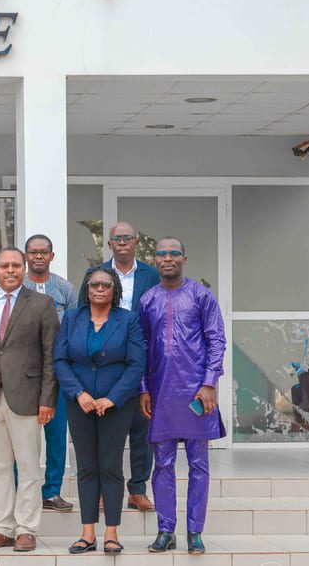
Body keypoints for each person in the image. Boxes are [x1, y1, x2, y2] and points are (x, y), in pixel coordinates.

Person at [138, 237, 226, 555]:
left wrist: (208, 383)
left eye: (174, 253)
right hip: (160, 393)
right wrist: (144, 389)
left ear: (184, 258)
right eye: (161, 254)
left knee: (198, 464)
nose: (168, 258)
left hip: (197, 393)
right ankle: (165, 530)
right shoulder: (148, 299)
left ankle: (194, 531)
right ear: (155, 260)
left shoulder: (201, 295)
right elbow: (142, 348)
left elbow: (216, 340)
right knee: (162, 465)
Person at [0, 248, 59, 552]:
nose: (10, 270)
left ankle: (26, 529)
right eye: (4, 266)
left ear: (23, 269)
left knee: (29, 465)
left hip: (28, 397)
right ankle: (3, 527)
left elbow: (51, 356)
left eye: (16, 265)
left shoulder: (42, 304)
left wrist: (47, 398)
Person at [53, 267, 146, 556]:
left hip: (115, 406)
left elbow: (136, 364)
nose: (100, 289)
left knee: (111, 466)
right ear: (87, 288)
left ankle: (112, 534)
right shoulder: (72, 318)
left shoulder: (128, 319)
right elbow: (60, 359)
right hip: (79, 404)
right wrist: (78, 393)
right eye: (94, 284)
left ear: (114, 289)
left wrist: (112, 398)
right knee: (86, 468)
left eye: (106, 285)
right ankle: (87, 533)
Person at [102, 221, 161, 513]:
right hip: (107, 364)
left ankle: (137, 489)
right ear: (110, 244)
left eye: (127, 237)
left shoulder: (152, 275)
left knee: (142, 428)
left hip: (144, 364)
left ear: (136, 241)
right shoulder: (99, 274)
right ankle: (103, 490)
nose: (122, 242)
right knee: (108, 433)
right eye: (117, 238)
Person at [22, 235, 79, 513]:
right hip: (23, 373)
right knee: (23, 436)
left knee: (56, 435)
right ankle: (24, 490)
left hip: (57, 371)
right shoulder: (16, 286)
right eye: (33, 252)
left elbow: (74, 329)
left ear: (52, 256)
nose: (38, 257)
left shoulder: (66, 289)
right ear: (26, 256)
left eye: (44, 252)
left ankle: (52, 491)